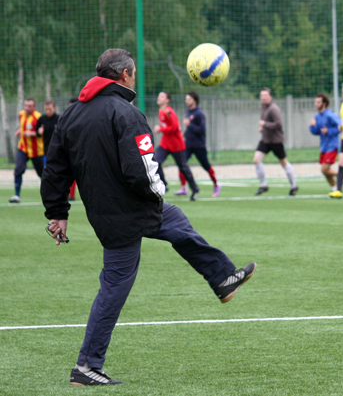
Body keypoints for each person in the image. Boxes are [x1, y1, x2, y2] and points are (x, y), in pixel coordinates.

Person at [41, 48, 256, 386]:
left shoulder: (71, 115)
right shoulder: (126, 113)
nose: (135, 78)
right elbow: (141, 168)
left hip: (108, 213)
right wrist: (157, 191)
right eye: (135, 73)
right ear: (125, 75)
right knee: (114, 286)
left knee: (176, 222)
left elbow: (55, 168)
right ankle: (86, 367)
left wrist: (57, 213)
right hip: (132, 210)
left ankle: (222, 278)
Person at [153, 91, 200, 201]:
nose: (159, 98)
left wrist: (161, 129)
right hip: (165, 143)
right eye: (159, 95)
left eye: (162, 96)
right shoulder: (161, 111)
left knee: (183, 167)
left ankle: (194, 189)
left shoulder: (169, 112)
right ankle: (164, 184)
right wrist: (162, 129)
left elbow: (175, 127)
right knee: (155, 161)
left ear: (167, 100)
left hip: (176, 144)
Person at [253, 87, 298, 196]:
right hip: (265, 140)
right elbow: (265, 123)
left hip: (276, 141)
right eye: (261, 96)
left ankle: (294, 185)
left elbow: (278, 124)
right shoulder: (262, 107)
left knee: (283, 162)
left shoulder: (274, 109)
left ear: (270, 97)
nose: (263, 98)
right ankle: (264, 185)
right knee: (256, 160)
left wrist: (265, 125)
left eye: (265, 96)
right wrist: (262, 128)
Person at [176, 91, 221, 197]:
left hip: (199, 145)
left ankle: (216, 184)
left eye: (188, 99)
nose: (186, 101)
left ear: (194, 100)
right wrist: (184, 133)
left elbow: (201, 130)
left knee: (206, 166)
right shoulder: (188, 111)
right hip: (188, 144)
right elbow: (190, 128)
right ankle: (184, 188)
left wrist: (189, 125)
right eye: (186, 99)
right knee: (182, 164)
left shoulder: (199, 113)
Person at [9, 98, 44, 203]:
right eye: (25, 105)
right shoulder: (21, 114)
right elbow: (23, 125)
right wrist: (19, 131)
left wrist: (31, 133)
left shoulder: (38, 117)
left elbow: (41, 132)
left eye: (29, 106)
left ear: (34, 107)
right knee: (18, 170)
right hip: (23, 148)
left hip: (36, 151)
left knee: (43, 174)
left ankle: (51, 195)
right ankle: (16, 195)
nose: (27, 108)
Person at [308, 93, 342, 191]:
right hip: (323, 146)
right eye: (316, 102)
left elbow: (340, 127)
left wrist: (329, 131)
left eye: (318, 102)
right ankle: (335, 188)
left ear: (324, 103)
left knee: (324, 169)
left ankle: (341, 175)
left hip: (332, 145)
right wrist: (312, 126)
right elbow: (316, 132)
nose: (316, 104)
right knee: (325, 171)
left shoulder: (330, 114)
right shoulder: (318, 116)